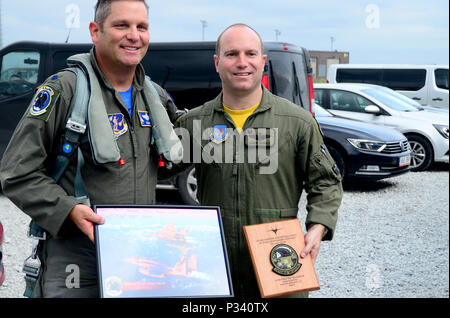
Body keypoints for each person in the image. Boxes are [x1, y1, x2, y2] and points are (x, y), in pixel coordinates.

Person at [0, 0, 179, 297]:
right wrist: (68, 209)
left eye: (141, 27)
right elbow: (17, 172)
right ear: (95, 31)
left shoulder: (155, 97)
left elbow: (176, 157)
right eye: (122, 25)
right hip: (76, 260)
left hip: (138, 258)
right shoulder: (64, 91)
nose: (134, 35)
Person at [174, 24, 343, 297]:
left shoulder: (297, 122)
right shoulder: (195, 122)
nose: (242, 63)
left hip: (278, 267)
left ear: (262, 62)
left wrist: (318, 226)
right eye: (231, 54)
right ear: (217, 63)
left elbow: (325, 181)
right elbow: (152, 168)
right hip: (215, 267)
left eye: (250, 54)